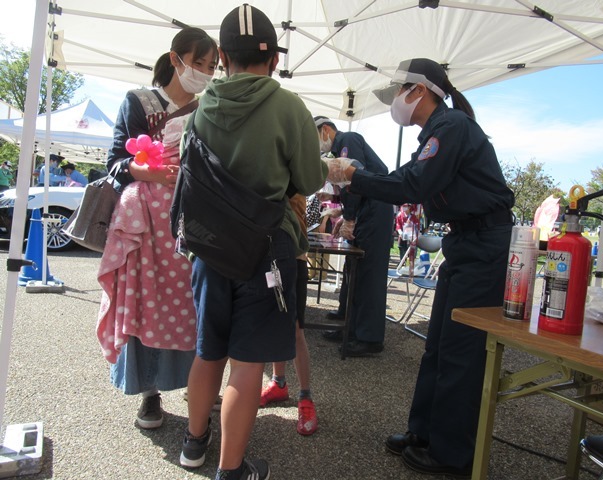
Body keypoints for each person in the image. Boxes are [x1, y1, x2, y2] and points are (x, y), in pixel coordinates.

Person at [324, 58, 515, 478]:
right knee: (439, 344)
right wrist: (358, 177)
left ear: (419, 90)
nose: (395, 102)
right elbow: (407, 177)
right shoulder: (437, 132)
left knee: (461, 349)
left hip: (483, 243)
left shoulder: (451, 128)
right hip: (467, 241)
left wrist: (355, 176)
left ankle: (452, 453)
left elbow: (413, 185)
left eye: (398, 92)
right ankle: (425, 432)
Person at [179, 5, 327, 480]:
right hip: (266, 250)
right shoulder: (289, 107)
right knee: (247, 364)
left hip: (209, 249)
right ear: (276, 61)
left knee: (208, 352)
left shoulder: (200, 108)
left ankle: (193, 445)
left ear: (221, 56)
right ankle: (232, 470)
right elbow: (308, 177)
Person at [96, 27, 218, 431]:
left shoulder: (207, 108)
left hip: (190, 224)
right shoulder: (139, 101)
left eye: (212, 67)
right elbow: (114, 160)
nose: (204, 72)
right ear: (176, 58)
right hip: (146, 226)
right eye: (198, 63)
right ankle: (149, 393)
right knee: (145, 303)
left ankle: (198, 388)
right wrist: (142, 170)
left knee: (190, 305)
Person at [314, 115, 394, 357]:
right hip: (367, 210)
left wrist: (348, 217)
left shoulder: (348, 139)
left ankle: (369, 338)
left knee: (368, 274)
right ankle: (347, 323)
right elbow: (354, 187)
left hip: (375, 212)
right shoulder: (339, 148)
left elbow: (356, 180)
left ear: (325, 129)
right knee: (353, 271)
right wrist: (338, 203)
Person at [259, 193, 318, 437]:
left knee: (295, 329)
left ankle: (305, 397)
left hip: (292, 255)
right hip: (263, 252)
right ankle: (279, 383)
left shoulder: (291, 162)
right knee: (273, 322)